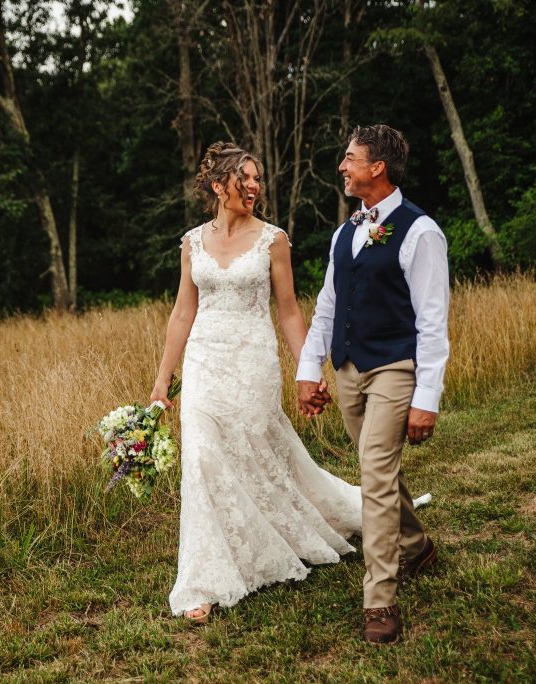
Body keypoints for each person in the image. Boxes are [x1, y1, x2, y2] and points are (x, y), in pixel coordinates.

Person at [149, 142, 364, 625]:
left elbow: (288, 310)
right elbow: (183, 311)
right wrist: (163, 380)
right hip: (205, 360)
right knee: (202, 458)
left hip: (252, 361)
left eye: (258, 178)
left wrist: (308, 370)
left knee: (256, 454)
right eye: (244, 178)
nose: (253, 186)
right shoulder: (192, 243)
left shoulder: (274, 240)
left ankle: (281, 535)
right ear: (217, 185)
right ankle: (203, 581)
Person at [296, 124, 450, 645]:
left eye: (349, 157)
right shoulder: (345, 232)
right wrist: (307, 369)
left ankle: (379, 600)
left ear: (377, 167)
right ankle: (416, 543)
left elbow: (432, 323)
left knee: (376, 475)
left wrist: (426, 400)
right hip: (347, 371)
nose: (342, 166)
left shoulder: (421, 231)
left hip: (394, 368)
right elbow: (327, 308)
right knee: (375, 465)